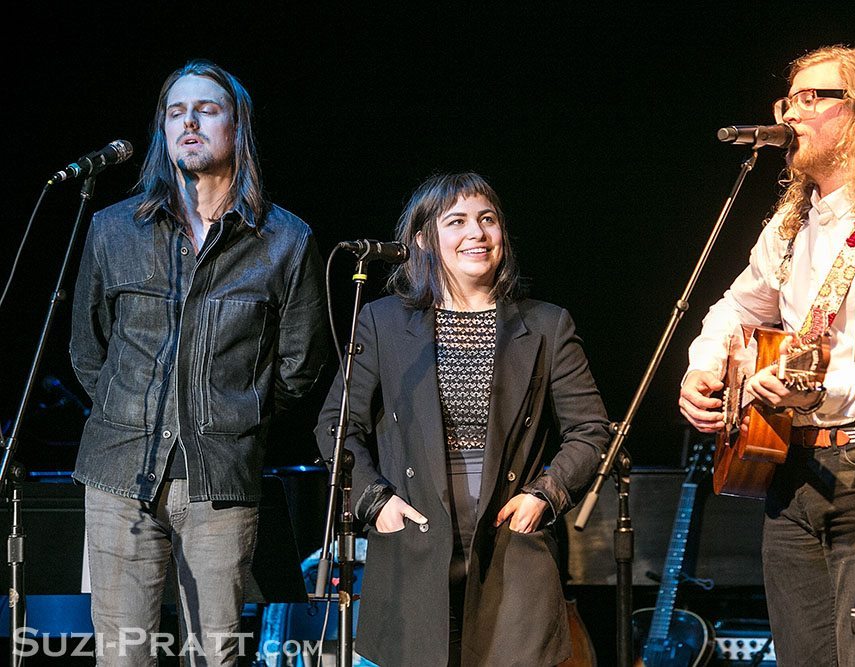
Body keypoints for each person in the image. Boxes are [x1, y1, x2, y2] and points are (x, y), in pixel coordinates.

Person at [678, 45, 855, 666]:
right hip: (790, 471)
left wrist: (815, 391)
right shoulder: (789, 225)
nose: (793, 110)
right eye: (791, 98)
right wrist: (703, 367)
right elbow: (733, 308)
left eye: (814, 97)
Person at [70, 59, 327, 665]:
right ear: (162, 130)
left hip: (221, 479)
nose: (189, 121)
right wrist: (125, 413)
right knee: (122, 655)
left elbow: (300, 364)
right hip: (119, 474)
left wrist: (238, 421)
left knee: (216, 655)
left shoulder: (286, 239)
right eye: (175, 111)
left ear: (237, 127)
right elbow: (88, 350)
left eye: (207, 110)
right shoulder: (113, 229)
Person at [314, 172, 610, 666]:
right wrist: (375, 500)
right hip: (413, 542)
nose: (477, 233)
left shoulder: (546, 324)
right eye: (457, 222)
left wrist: (545, 494)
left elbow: (590, 431)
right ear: (423, 240)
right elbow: (336, 427)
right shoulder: (383, 322)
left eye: (487, 220)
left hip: (508, 545)